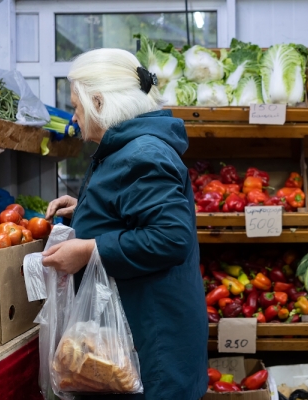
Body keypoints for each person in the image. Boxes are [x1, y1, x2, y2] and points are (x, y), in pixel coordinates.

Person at [42, 48, 208, 400]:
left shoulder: (143, 154)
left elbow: (169, 237)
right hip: (138, 334)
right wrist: (88, 208)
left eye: (76, 104)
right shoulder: (126, 148)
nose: (74, 117)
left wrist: (88, 250)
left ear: (99, 102)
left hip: (151, 345)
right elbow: (131, 208)